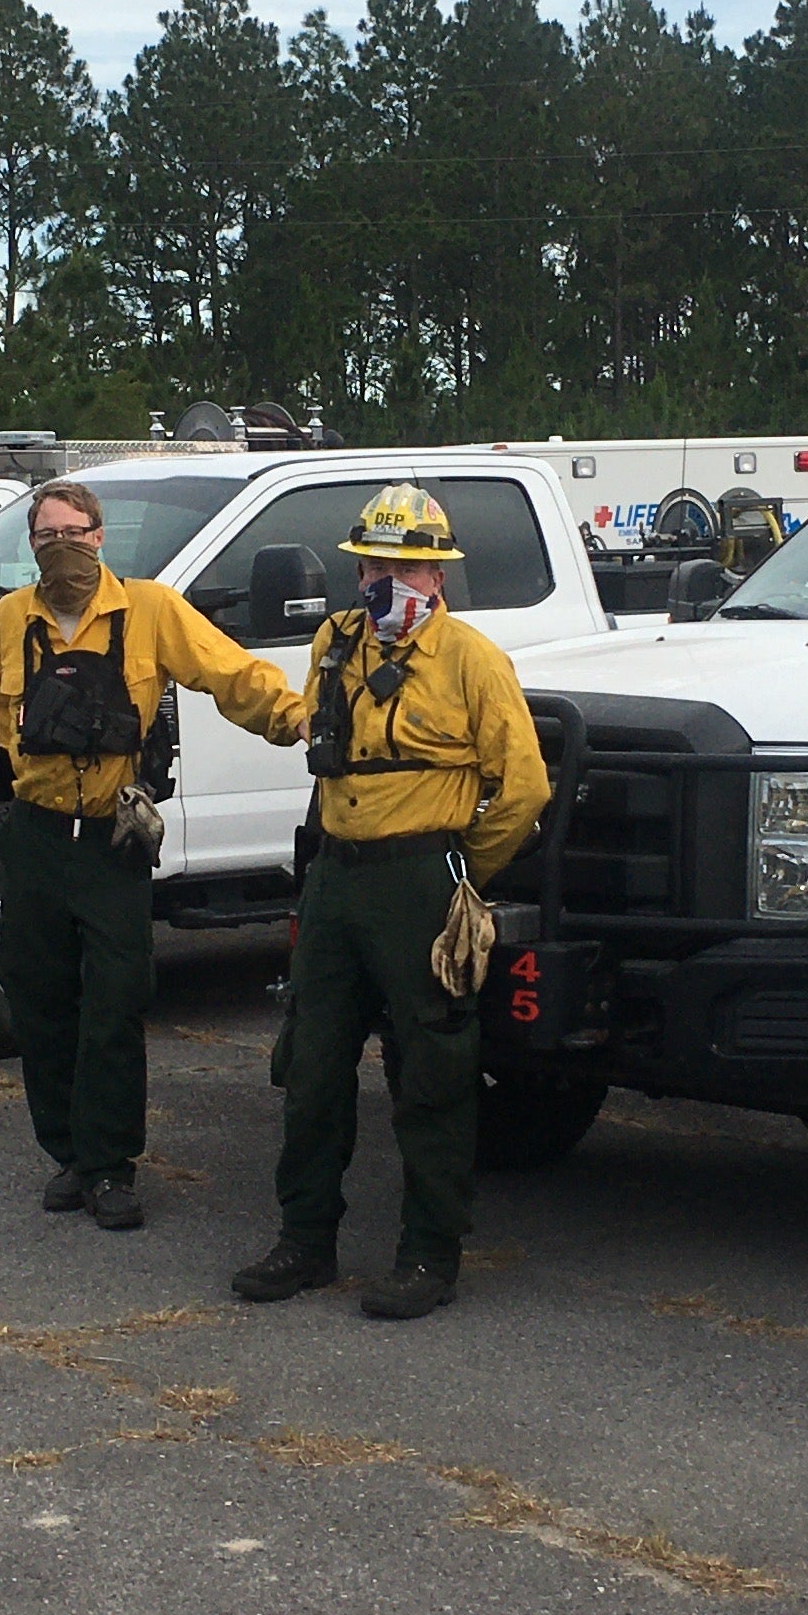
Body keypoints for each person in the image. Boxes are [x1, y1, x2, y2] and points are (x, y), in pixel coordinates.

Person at [230, 483, 550, 1320]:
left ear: (439, 575)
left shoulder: (475, 661)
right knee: (312, 1063)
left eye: (410, 565)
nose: (390, 578)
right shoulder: (335, 643)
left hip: (421, 879)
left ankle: (428, 1254)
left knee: (433, 1070)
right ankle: (305, 1240)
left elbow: (523, 788)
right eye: (377, 562)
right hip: (337, 878)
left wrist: (460, 871)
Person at [0, 477, 307, 1228]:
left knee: (116, 1001)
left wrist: (297, 717)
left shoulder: (152, 610)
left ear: (101, 538)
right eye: (45, 535)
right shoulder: (6, 622)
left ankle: (111, 1165)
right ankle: (67, 1153)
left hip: (112, 840)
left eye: (74, 532)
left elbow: (231, 674)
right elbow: (5, 716)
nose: (60, 546)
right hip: (34, 834)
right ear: (30, 545)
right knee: (38, 998)